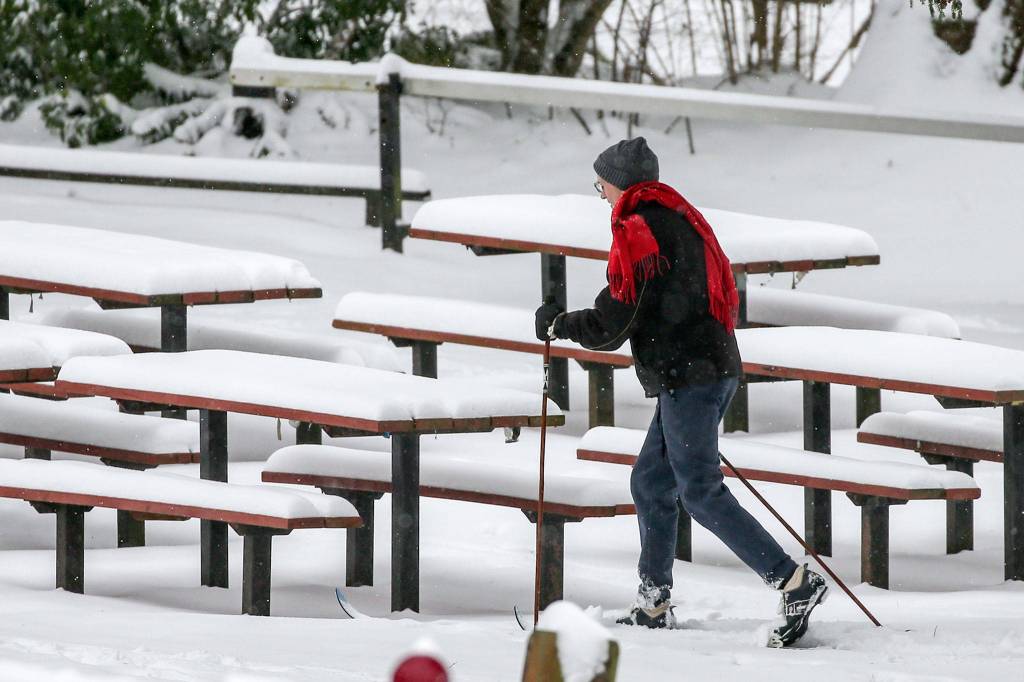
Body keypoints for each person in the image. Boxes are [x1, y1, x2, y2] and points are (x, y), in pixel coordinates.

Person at [535, 137, 827, 647]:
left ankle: (793, 581)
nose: (600, 193)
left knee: (699, 491)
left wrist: (561, 324)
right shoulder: (674, 215)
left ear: (619, 180)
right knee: (651, 483)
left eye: (600, 182)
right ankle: (653, 602)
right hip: (704, 367)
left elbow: (616, 318)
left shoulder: (640, 228)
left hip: (692, 375)